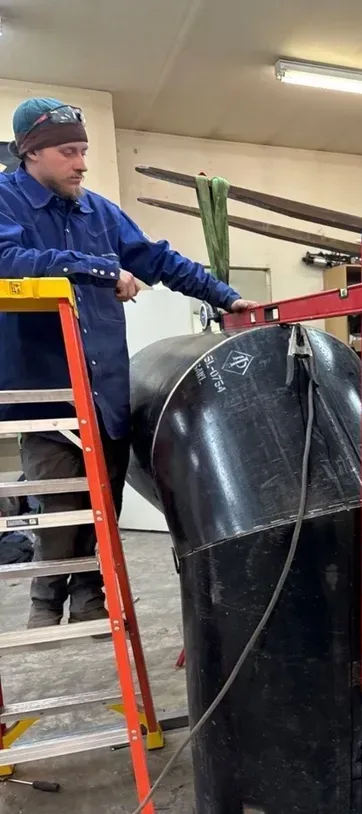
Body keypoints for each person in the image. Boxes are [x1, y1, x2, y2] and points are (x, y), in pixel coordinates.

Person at [0, 97, 258, 629]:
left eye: (84, 150)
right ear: (32, 154)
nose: (82, 163)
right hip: (44, 389)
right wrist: (96, 269)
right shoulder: (5, 202)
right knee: (60, 504)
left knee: (103, 504)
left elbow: (158, 260)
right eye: (69, 151)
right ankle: (46, 603)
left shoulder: (99, 212)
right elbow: (7, 261)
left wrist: (225, 297)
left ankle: (93, 598)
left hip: (105, 387)